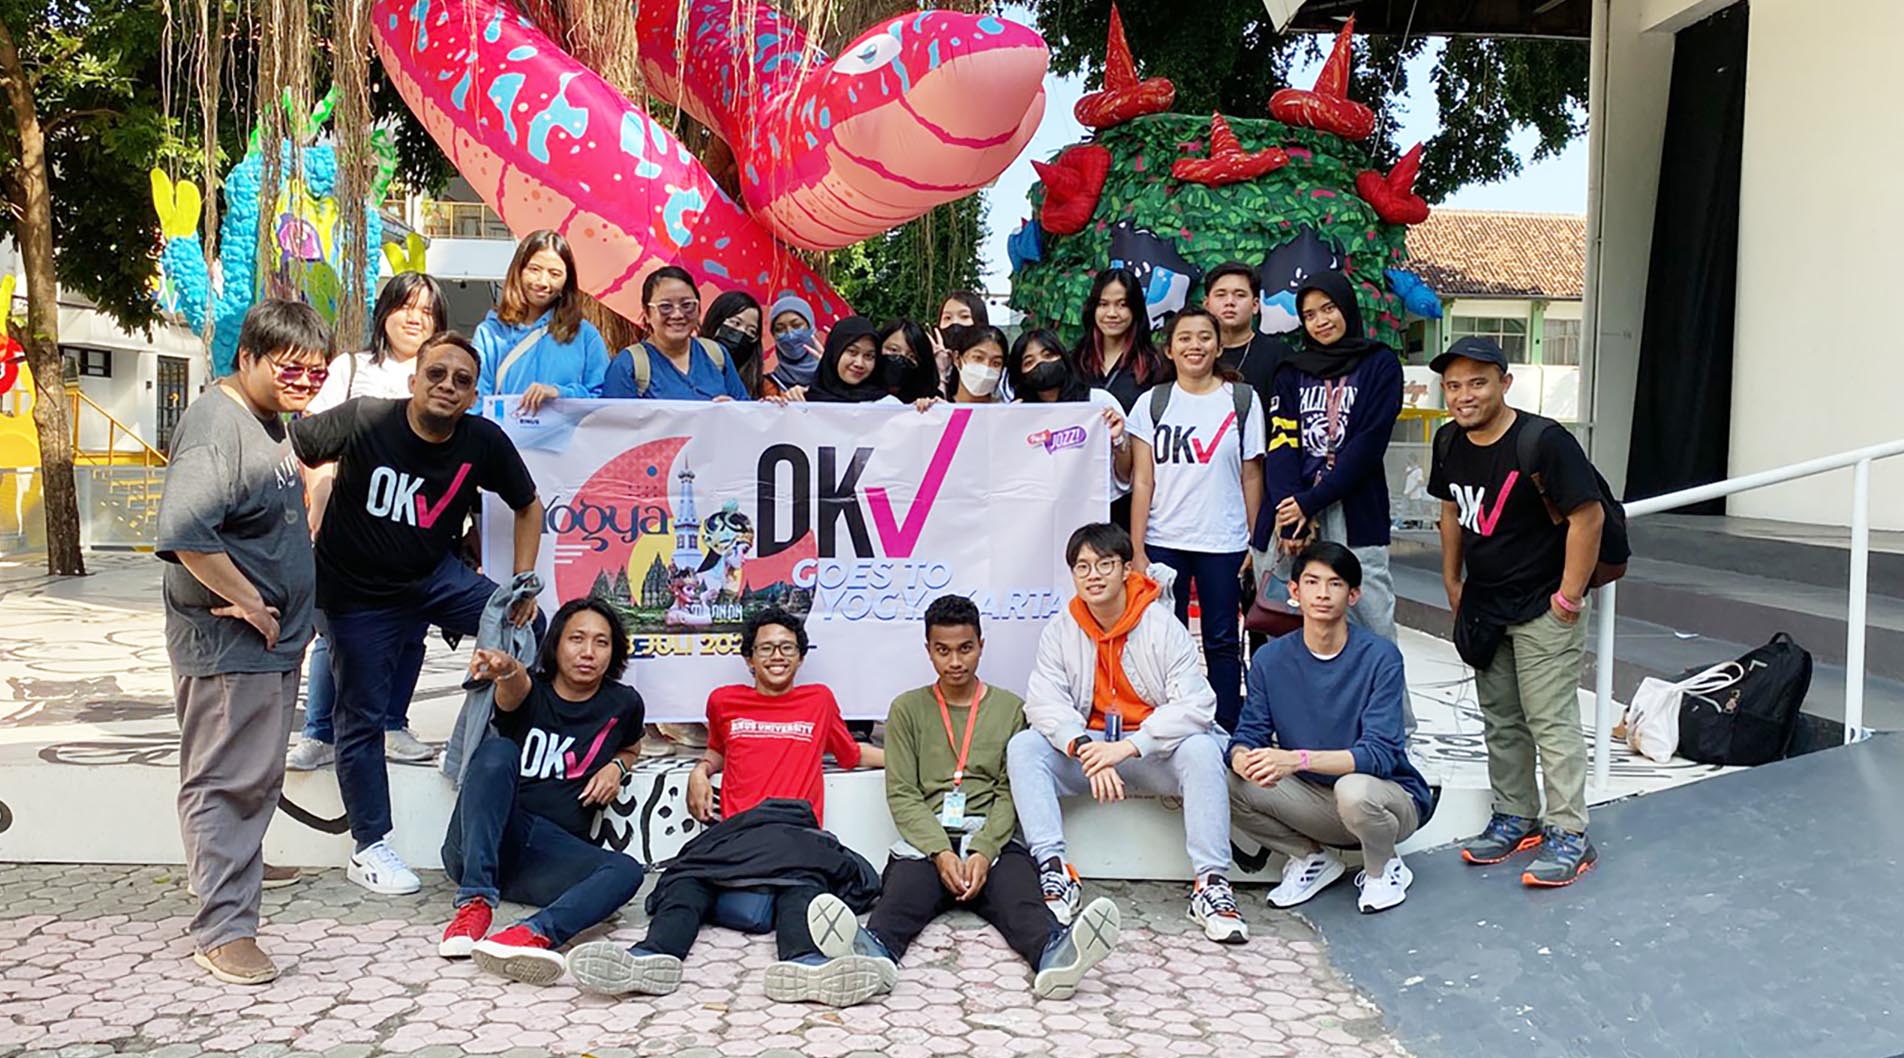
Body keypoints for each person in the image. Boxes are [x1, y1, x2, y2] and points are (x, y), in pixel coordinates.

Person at [291, 332, 546, 896]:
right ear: (413, 380)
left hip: (432, 578)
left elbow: (528, 505)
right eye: (436, 373)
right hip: (356, 594)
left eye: (461, 380)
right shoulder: (365, 418)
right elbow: (291, 449)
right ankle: (369, 846)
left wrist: (522, 582)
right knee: (360, 716)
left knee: (527, 625)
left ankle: (491, 744)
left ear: (473, 396)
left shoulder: (482, 440)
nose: (447, 386)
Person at [565, 607, 891, 1005]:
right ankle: (650, 958)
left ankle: (806, 965)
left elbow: (850, 753)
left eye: (787, 648)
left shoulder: (819, 700)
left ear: (801, 657)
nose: (777, 656)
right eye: (766, 648)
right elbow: (719, 750)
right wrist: (700, 771)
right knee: (685, 880)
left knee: (804, 885)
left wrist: (910, 762)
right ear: (749, 658)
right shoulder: (724, 701)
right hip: (737, 834)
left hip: (793, 830)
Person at [803, 595, 1121, 1001]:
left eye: (965, 648)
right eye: (943, 651)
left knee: (1022, 902)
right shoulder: (906, 709)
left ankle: (1056, 955)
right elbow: (902, 793)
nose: (955, 662)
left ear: (981, 645)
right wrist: (940, 852)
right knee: (898, 901)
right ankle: (872, 954)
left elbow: (1009, 791)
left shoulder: (1011, 708)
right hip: (927, 842)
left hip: (992, 841)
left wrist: (984, 851)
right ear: (928, 650)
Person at [157, 300, 332, 984]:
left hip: (267, 643)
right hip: (232, 641)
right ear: (249, 357)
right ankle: (224, 927)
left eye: (316, 373)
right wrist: (252, 600)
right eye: (291, 369)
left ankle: (229, 870)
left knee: (251, 776)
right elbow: (186, 533)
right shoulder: (215, 424)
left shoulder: (267, 419)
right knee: (227, 780)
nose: (304, 383)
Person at [1008, 522, 1249, 945]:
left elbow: (1197, 705)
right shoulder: (1061, 629)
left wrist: (1127, 747)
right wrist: (1087, 749)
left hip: (1152, 753)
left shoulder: (1161, 625)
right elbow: (1043, 702)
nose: (1093, 575)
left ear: (1125, 569)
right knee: (1025, 746)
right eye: (1082, 567)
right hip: (1093, 752)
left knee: (1201, 750)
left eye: (1105, 564)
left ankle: (1211, 884)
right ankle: (1053, 871)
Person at [1430, 337, 1604, 887]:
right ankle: (1514, 815)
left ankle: (1569, 832)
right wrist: (1452, 580)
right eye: (1453, 386)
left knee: (1551, 721)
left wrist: (1568, 598)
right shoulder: (1447, 440)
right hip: (1486, 604)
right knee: (1501, 718)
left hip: (1543, 604)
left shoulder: (1543, 441)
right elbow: (1451, 510)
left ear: (1505, 383)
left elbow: (1589, 517)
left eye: (1477, 383)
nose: (1464, 395)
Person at [438, 598, 648, 982]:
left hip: (546, 858)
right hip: (480, 846)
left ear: (614, 651)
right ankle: (475, 902)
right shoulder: (531, 691)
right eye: (576, 639)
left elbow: (631, 747)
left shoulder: (624, 703)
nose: (588, 652)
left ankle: (529, 935)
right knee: (498, 751)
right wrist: (506, 668)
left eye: (601, 642)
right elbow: (514, 685)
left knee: (626, 871)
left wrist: (616, 767)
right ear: (556, 644)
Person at [290, 272, 447, 772]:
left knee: (410, 632)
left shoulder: (443, 377)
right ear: (385, 312)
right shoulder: (351, 368)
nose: (415, 319)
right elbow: (313, 443)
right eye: (406, 307)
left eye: (427, 311)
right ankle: (319, 732)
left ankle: (392, 724)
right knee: (334, 633)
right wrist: (320, 499)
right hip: (350, 530)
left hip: (418, 530)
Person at [1227, 542, 1433, 914]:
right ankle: (1311, 858)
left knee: (1353, 790)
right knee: (1223, 778)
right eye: (1312, 582)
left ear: (1353, 595)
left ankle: (1383, 869)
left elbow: (1379, 756)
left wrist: (1297, 760)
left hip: (1385, 798)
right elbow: (1249, 733)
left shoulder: (1380, 657)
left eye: (1335, 584)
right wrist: (1242, 757)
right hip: (1315, 799)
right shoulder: (1270, 659)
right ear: (1294, 591)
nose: (1322, 593)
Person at [1128, 308, 1265, 732]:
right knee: (1164, 640)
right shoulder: (1152, 403)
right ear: (1169, 349)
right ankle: (1169, 726)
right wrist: (1137, 548)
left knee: (1222, 640)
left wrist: (1254, 541)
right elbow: (1143, 481)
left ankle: (1225, 727)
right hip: (1164, 539)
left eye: (1205, 337)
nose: (1195, 345)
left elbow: (1251, 475)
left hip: (1223, 542)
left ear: (1219, 346)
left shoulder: (1242, 400)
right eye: (1184, 338)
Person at [1258, 270, 1403, 647]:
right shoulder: (1291, 371)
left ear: (1346, 308)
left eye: (1328, 308)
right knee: (1285, 630)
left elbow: (1368, 445)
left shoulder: (1379, 363)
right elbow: (1281, 443)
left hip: (1354, 511)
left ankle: (1382, 691)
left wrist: (1311, 502)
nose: (1320, 321)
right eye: (1309, 315)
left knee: (1373, 627)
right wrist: (1292, 516)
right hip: (1289, 511)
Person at [474, 229, 610, 413]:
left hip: (566, 433)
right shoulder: (490, 334)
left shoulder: (586, 336)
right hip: (500, 432)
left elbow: (602, 400)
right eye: (534, 270)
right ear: (518, 271)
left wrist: (560, 393)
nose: (543, 282)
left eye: (555, 274)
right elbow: (475, 401)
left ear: (567, 281)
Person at [1009, 327, 1134, 491]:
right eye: (1029, 362)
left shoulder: (1098, 402)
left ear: (1063, 356)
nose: (1041, 363)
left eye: (1048, 355)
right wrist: (1008, 427)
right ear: (1019, 374)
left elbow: (1126, 477)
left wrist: (1118, 440)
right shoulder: (1017, 413)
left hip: (1100, 502)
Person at [602, 266, 749, 400]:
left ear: (699, 308)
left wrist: (733, 408)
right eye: (665, 307)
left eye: (687, 305)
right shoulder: (628, 365)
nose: (677, 314)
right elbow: (614, 419)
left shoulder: (716, 355)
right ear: (647, 313)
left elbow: (746, 411)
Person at [1202, 261, 1290, 420]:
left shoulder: (1279, 355)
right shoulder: (1195, 354)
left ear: (1255, 305)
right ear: (1207, 305)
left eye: (1240, 295)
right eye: (1221, 295)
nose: (1230, 302)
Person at [1073, 267, 1164, 414]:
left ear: (1135, 309)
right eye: (1103, 304)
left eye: (1122, 305)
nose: (1112, 313)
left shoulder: (1154, 364)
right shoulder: (1075, 361)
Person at [794, 316, 895, 404]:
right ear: (834, 353)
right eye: (852, 352)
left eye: (868, 356)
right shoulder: (802, 401)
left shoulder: (886, 406)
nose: (859, 363)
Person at [701, 291, 767, 398]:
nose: (742, 332)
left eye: (751, 331)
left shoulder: (760, 385)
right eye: (736, 323)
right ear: (716, 320)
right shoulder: (689, 363)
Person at [766, 294, 824, 394]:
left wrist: (830, 372)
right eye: (780, 329)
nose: (790, 335)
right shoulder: (768, 385)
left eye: (796, 325)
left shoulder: (833, 376)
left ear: (811, 326)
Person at [875, 319, 944, 402]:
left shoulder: (929, 400)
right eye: (894, 350)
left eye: (911, 356)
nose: (901, 358)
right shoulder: (862, 391)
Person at [944, 324, 1009, 404]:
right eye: (978, 358)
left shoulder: (1007, 410)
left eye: (996, 363)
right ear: (956, 358)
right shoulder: (939, 408)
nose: (986, 368)